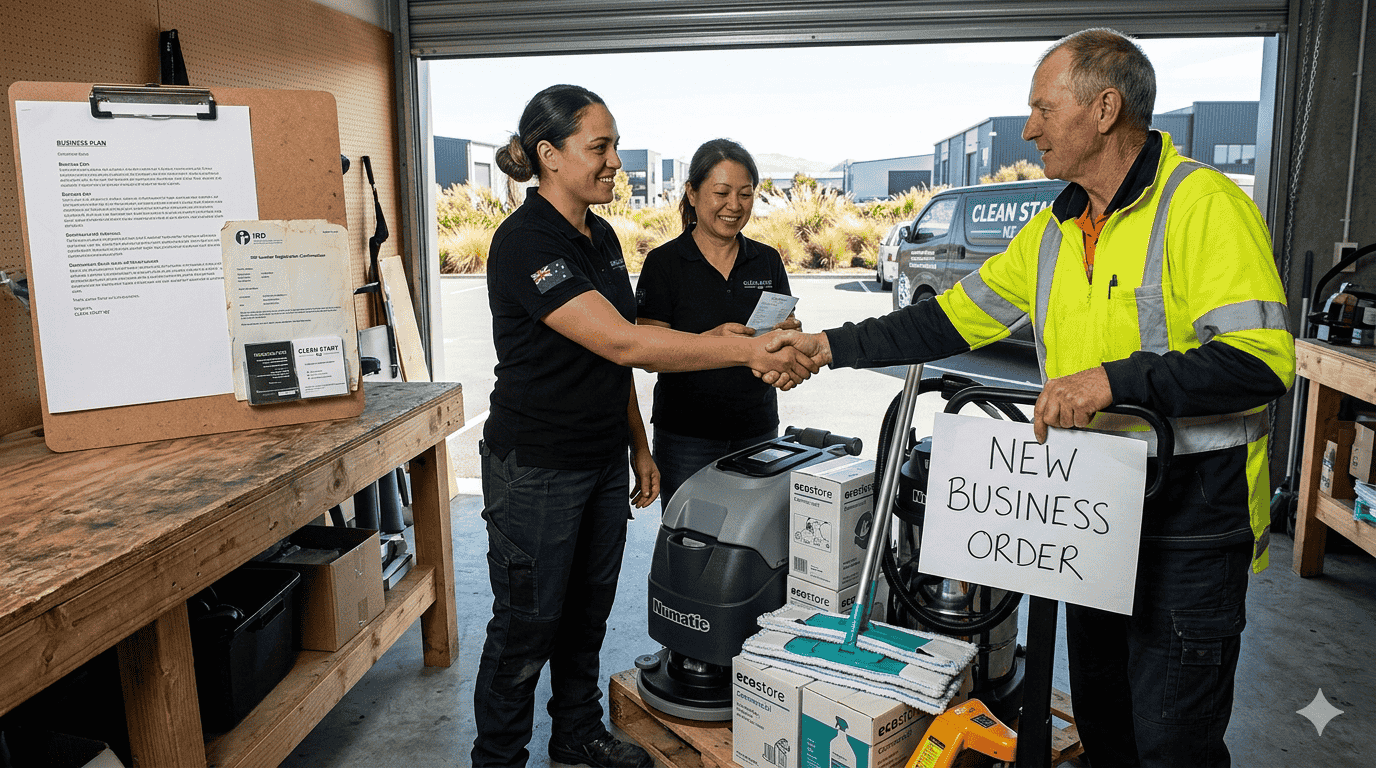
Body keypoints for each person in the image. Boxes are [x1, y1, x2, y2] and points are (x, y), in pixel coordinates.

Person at [767, 29, 1293, 768]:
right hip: (1094, 510)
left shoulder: (1200, 205)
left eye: (1043, 108)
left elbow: (1261, 362)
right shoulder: (1056, 226)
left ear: (1105, 109)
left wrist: (1116, 380)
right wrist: (829, 346)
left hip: (1189, 518)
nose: (1029, 127)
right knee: (1107, 719)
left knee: (1173, 740)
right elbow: (948, 316)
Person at [473, 84, 816, 768]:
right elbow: (626, 344)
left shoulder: (597, 236)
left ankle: (576, 733)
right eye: (598, 147)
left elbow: (616, 353)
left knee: (587, 615)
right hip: (538, 465)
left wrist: (638, 446)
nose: (613, 162)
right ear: (550, 154)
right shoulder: (525, 243)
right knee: (527, 626)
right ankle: (499, 758)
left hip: (599, 456)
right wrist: (744, 347)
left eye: (614, 147)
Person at [635, 138, 799, 505]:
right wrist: (712, 340)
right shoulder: (664, 264)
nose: (734, 205)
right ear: (692, 193)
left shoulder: (767, 260)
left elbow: (785, 327)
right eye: (721, 192)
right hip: (686, 437)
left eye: (745, 194)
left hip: (757, 429)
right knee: (690, 544)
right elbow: (646, 354)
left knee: (752, 546)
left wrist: (787, 337)